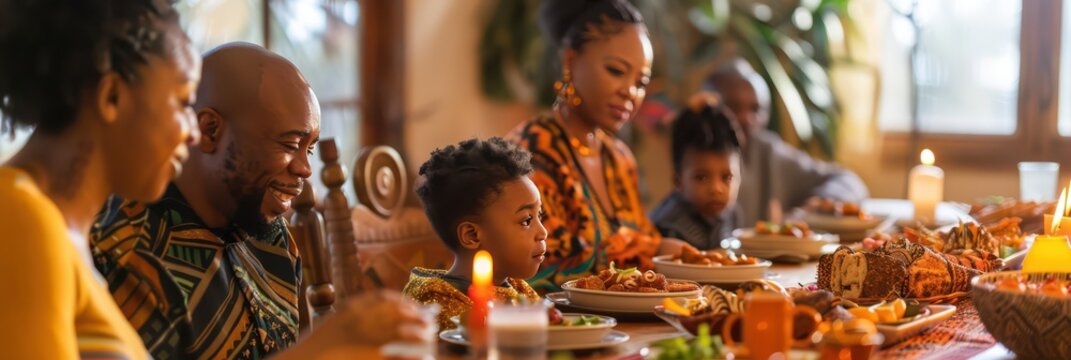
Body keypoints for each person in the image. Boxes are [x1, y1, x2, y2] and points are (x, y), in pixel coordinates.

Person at [89, 42, 428, 359]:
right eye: (288, 144)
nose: (305, 169)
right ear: (210, 131)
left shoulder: (270, 234)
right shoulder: (131, 252)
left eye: (308, 149)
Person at [508, 0, 686, 293]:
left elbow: (643, 240)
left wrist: (675, 252)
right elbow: (532, 271)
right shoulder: (530, 153)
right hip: (554, 327)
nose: (630, 92)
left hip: (628, 324)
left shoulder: (618, 157)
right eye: (616, 71)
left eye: (641, 82)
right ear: (570, 61)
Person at [403, 137, 547, 330]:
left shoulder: (518, 289)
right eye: (526, 221)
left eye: (540, 216)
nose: (543, 232)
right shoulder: (439, 303)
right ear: (472, 235)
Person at [707, 62, 869, 225]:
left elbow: (848, 180)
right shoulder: (689, 154)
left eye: (756, 109)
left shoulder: (769, 152)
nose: (746, 119)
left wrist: (819, 203)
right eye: (732, 106)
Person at [650, 93, 744, 250]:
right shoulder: (667, 225)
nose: (716, 188)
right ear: (678, 181)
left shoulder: (732, 214)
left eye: (727, 177)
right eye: (702, 178)